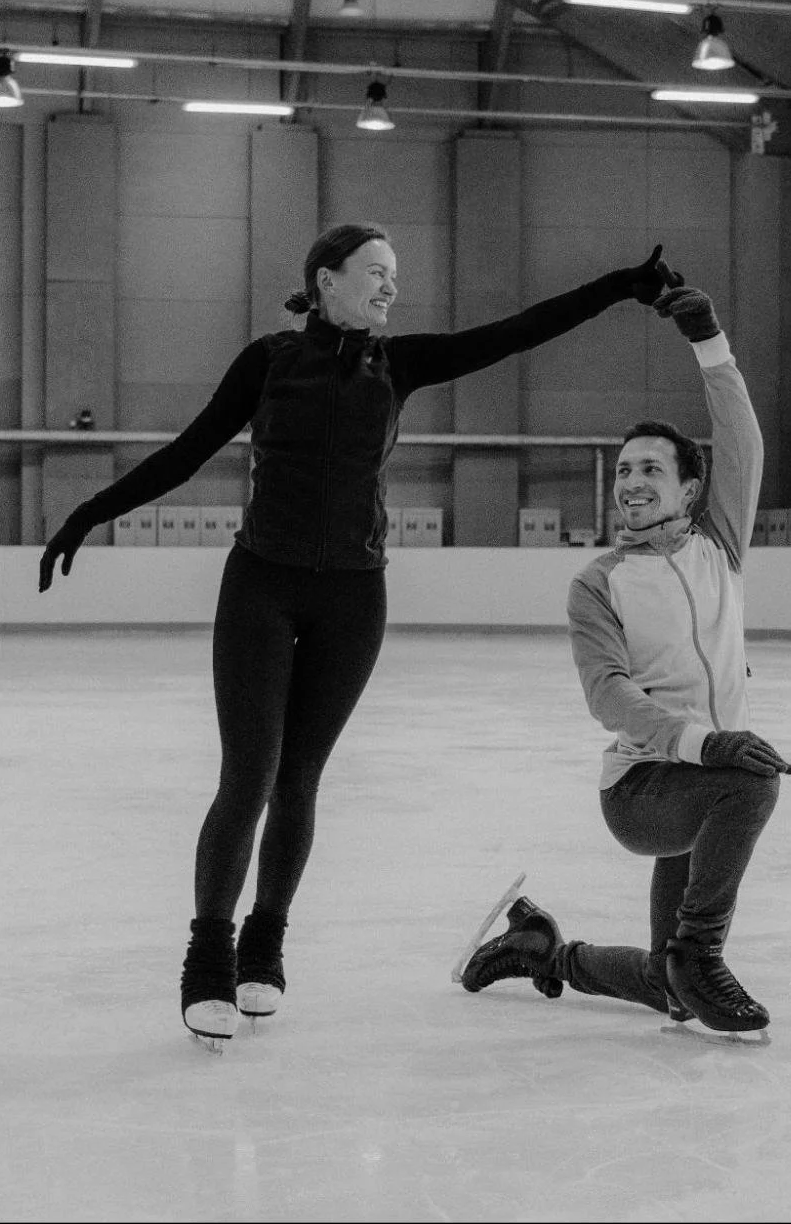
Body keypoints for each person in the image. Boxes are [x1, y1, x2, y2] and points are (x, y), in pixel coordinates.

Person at [37, 222, 676, 1049]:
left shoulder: (398, 364)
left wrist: (623, 282)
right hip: (261, 587)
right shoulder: (268, 360)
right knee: (249, 775)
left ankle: (264, 947)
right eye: (374, 273)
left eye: (394, 276)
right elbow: (188, 451)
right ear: (325, 280)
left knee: (298, 779)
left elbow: (519, 332)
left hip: (353, 597)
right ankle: (207, 959)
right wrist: (91, 513)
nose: (389, 288)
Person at [456, 284, 791, 1044]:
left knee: (670, 993)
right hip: (647, 789)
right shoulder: (598, 582)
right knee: (751, 783)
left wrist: (710, 342)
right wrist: (702, 742)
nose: (632, 483)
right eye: (622, 472)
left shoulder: (719, 549)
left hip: (706, 781)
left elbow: (744, 441)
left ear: (689, 488)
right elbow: (607, 695)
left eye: (649, 469)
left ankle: (544, 951)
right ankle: (700, 954)